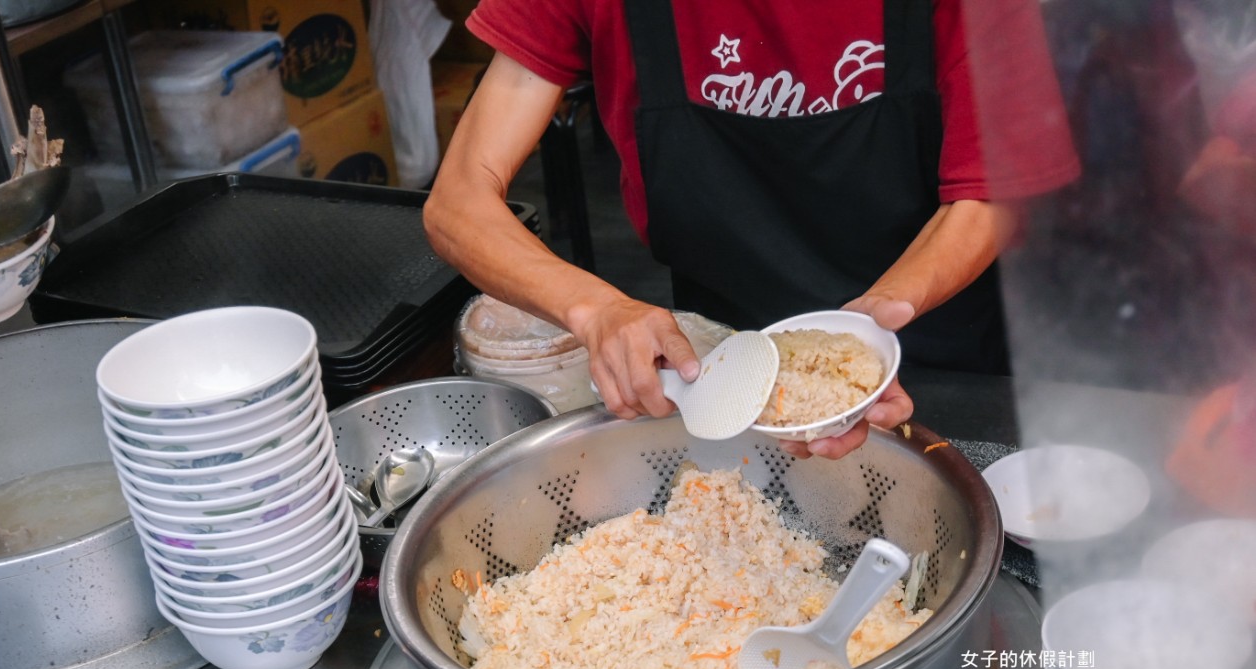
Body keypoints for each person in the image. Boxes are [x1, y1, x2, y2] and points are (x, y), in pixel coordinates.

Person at [423, 0, 1079, 458]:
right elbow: (457, 201)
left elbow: (998, 188)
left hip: (939, 354)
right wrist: (596, 309)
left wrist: (867, 332)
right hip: (720, 364)